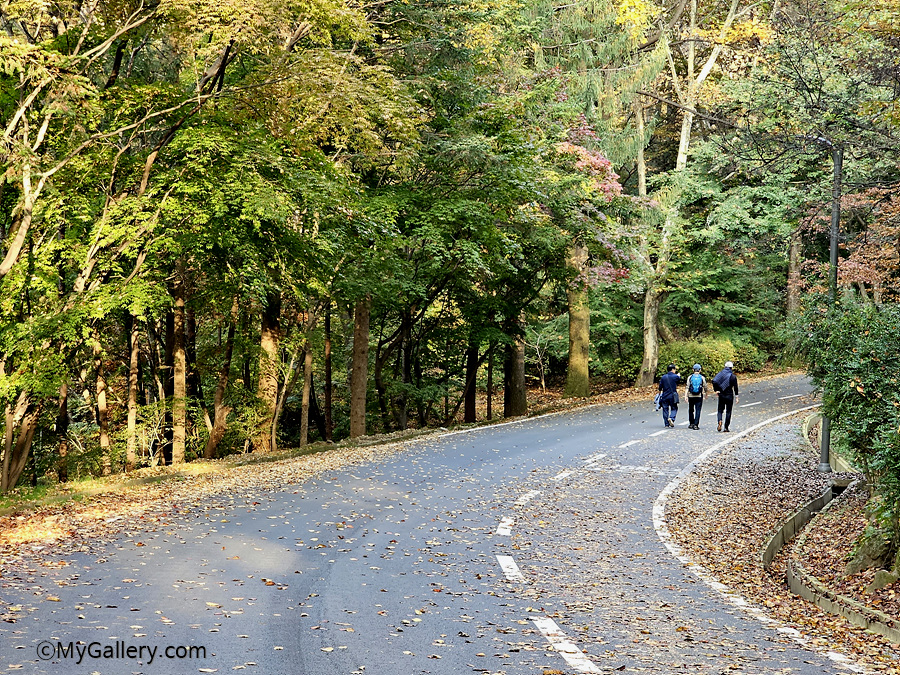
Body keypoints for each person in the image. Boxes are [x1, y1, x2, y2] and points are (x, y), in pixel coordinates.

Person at [712, 361, 739, 432]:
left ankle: (719, 421)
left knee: (720, 410)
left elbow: (714, 381)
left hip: (721, 394)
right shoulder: (733, 376)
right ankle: (726, 427)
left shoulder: (721, 374)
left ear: (725, 367)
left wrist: (716, 390)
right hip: (729, 394)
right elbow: (735, 387)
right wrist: (736, 396)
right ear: (731, 368)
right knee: (728, 411)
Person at [684, 363, 706, 430]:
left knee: (691, 409)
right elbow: (705, 386)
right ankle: (696, 425)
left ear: (693, 370)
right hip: (699, 396)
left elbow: (687, 387)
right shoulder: (702, 377)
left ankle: (691, 423)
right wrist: (705, 393)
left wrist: (685, 396)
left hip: (691, 396)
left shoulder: (690, 377)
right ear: (700, 370)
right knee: (698, 410)